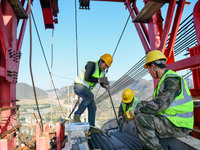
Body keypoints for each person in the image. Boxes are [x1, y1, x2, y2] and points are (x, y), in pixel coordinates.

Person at [123, 50, 194, 150]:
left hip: (179, 124)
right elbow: (157, 103)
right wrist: (140, 107)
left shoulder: (172, 80)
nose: (150, 73)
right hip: (172, 120)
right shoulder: (165, 79)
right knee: (141, 113)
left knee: (141, 119)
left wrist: (134, 111)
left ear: (153, 66)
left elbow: (158, 105)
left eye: (149, 69)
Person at [73, 53, 113, 128]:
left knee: (93, 107)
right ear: (101, 61)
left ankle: (92, 127)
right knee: (90, 96)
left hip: (86, 89)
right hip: (78, 86)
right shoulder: (92, 65)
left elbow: (100, 82)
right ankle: (77, 115)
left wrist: (104, 84)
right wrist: (100, 80)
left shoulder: (103, 72)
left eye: (107, 66)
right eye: (105, 65)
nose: (105, 67)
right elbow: (87, 77)